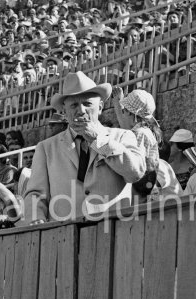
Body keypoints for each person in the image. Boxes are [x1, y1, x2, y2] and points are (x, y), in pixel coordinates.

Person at [23, 71, 145, 224]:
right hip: (64, 235)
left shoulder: (123, 136)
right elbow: (35, 193)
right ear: (64, 111)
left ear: (100, 107)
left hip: (114, 230)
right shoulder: (46, 148)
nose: (80, 110)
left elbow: (135, 173)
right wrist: (36, 218)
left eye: (87, 104)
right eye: (74, 105)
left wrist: (97, 139)